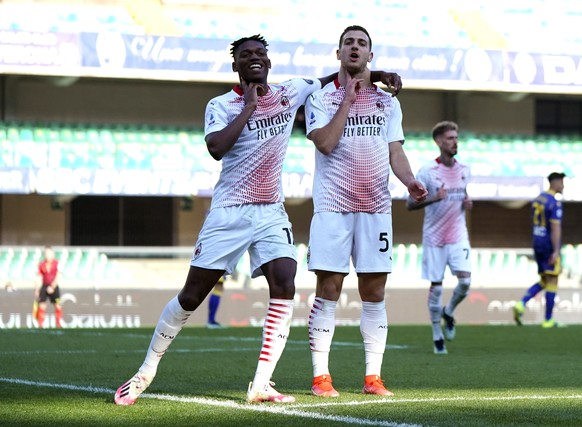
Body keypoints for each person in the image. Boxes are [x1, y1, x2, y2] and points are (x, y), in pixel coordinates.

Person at [114, 34, 403, 406]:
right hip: (229, 212)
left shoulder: (290, 92)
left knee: (285, 282)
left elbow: (339, 77)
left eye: (260, 54)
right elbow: (216, 148)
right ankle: (145, 372)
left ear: (269, 62)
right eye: (246, 55)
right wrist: (248, 108)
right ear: (235, 65)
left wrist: (378, 72)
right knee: (191, 296)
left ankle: (261, 384)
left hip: (270, 212)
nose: (254, 58)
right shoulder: (220, 104)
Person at [305, 25, 427, 398]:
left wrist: (409, 181)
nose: (354, 48)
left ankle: (373, 377)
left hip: (375, 206)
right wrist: (348, 101)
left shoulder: (388, 102)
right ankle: (320, 378)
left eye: (362, 44)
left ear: (370, 56)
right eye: (349, 43)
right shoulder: (321, 98)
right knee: (329, 288)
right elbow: (324, 144)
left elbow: (395, 151)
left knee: (374, 291)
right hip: (332, 206)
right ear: (338, 53)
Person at [406, 121, 472, 355]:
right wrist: (435, 198)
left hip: (458, 235)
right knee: (436, 288)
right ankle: (437, 336)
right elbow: (409, 204)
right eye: (450, 138)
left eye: (456, 137)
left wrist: (467, 202)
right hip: (435, 237)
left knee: (465, 281)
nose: (455, 141)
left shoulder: (464, 169)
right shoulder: (427, 172)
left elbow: (463, 194)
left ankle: (449, 312)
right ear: (439, 142)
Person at [514, 172, 565, 328]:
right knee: (553, 278)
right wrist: (556, 250)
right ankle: (548, 319)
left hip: (537, 241)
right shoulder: (554, 203)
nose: (563, 186)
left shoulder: (537, 200)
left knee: (545, 279)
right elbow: (555, 227)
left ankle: (521, 303)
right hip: (548, 244)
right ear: (554, 183)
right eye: (562, 182)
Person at [34, 246, 63, 328]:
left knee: (57, 304)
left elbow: (58, 276)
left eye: (49, 253)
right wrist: (37, 289)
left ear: (53, 254)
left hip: (54, 286)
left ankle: (58, 324)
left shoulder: (57, 263)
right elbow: (38, 277)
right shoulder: (41, 264)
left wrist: (52, 287)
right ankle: (40, 325)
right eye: (46, 253)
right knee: (42, 305)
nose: (47, 255)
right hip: (44, 286)